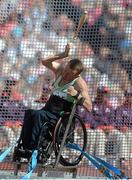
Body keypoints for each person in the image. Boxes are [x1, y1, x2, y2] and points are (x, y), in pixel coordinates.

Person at [21, 43, 92, 150]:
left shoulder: (79, 84)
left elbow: (89, 107)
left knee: (39, 115)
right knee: (30, 113)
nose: (65, 74)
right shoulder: (60, 71)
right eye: (65, 71)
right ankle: (25, 145)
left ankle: (33, 148)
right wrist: (63, 54)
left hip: (61, 118)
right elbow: (45, 61)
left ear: (76, 75)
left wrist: (76, 95)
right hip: (48, 111)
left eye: (69, 74)